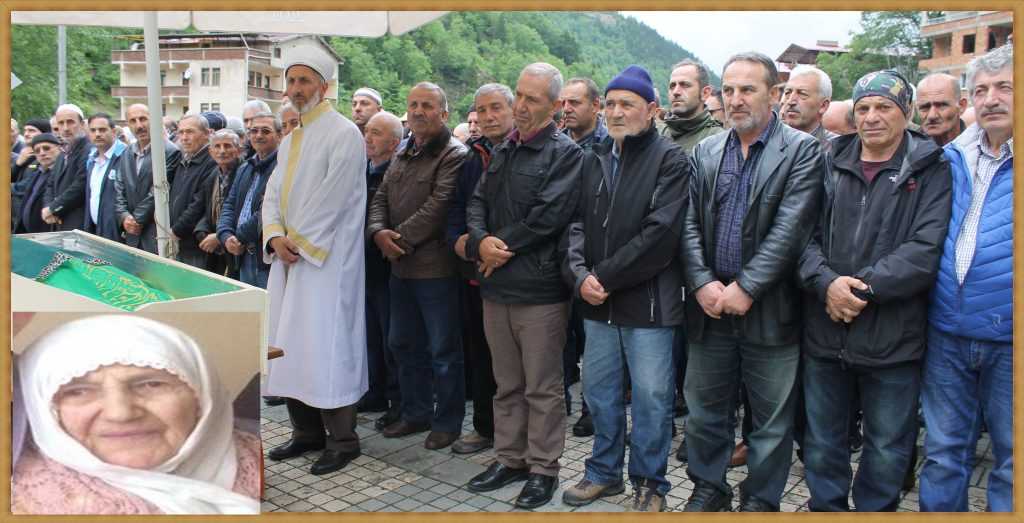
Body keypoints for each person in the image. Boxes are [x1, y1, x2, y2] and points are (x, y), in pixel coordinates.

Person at [798, 69, 952, 512]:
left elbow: (924, 249)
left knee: (886, 449)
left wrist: (860, 291)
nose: (871, 117)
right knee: (822, 442)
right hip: (826, 333)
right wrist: (827, 283)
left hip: (892, 339)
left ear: (906, 112)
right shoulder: (827, 161)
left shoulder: (931, 167)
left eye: (884, 107)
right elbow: (800, 237)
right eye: (863, 108)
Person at [680, 52, 822, 512]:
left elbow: (792, 229)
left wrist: (747, 287)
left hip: (771, 309)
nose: (735, 99)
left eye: (747, 89)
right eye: (728, 90)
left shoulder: (802, 151)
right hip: (710, 308)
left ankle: (760, 500)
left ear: (774, 94)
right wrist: (701, 282)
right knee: (704, 413)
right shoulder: (706, 151)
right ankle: (708, 488)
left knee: (771, 422)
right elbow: (687, 224)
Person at [561, 65, 689, 512]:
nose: (616, 112)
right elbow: (574, 224)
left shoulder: (670, 159)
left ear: (652, 110)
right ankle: (603, 472)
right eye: (611, 104)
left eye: (627, 104)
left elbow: (661, 235)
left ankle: (650, 484)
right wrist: (579, 276)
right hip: (598, 302)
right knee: (599, 392)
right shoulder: (592, 156)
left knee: (652, 399)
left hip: (649, 304)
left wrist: (603, 277)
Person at [463, 63, 582, 509]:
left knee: (542, 387)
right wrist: (480, 240)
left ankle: (543, 468)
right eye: (520, 95)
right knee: (507, 383)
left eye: (533, 99)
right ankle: (510, 458)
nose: (522, 106)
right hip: (496, 287)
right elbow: (477, 202)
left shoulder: (566, 154)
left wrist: (498, 247)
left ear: (555, 106)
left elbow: (548, 218)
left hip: (539, 291)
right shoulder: (506, 147)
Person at [12, 315, 260, 514]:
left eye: (152, 384)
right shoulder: (20, 501)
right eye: (78, 391)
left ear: (202, 397)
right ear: (45, 412)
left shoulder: (259, 456)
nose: (120, 413)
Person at [262, 48, 368, 476]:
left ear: (324, 86)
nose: (296, 89)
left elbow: (334, 198)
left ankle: (343, 440)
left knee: (327, 345)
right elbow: (272, 195)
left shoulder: (344, 133)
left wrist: (297, 243)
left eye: (304, 81)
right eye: (291, 81)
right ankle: (305, 432)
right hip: (289, 258)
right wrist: (274, 236)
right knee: (289, 343)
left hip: (327, 262)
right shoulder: (290, 140)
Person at [922, 43, 1014, 513]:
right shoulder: (952, 156)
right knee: (942, 455)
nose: (990, 99)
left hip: (1010, 338)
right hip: (947, 331)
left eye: (1005, 87)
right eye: (981, 90)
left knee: (1012, 463)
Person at [366, 82, 467, 450]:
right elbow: (380, 197)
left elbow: (439, 207)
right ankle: (415, 412)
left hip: (436, 270)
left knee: (443, 351)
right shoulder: (404, 150)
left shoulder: (455, 154)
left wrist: (397, 240)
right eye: (413, 105)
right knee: (403, 344)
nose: (419, 111)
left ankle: (448, 422)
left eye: (427, 105)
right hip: (400, 269)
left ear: (444, 113)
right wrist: (378, 232)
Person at [445, 83, 515, 455]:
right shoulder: (473, 155)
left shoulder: (526, 150)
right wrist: (464, 243)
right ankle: (485, 427)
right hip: (474, 272)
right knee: (481, 355)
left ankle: (517, 439)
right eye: (481, 110)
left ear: (514, 109)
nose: (488, 117)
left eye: (496, 108)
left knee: (516, 365)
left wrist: (494, 249)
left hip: (515, 272)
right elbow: (458, 207)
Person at [557, 75, 609, 438]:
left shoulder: (609, 146)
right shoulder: (558, 144)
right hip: (556, 256)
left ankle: (592, 409)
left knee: (592, 341)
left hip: (591, 259)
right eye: (563, 103)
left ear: (595, 105)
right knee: (560, 338)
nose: (567, 109)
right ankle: (559, 399)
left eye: (574, 102)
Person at [360, 111, 403, 423]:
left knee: (393, 339)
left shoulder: (396, 174)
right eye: (367, 131)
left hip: (388, 268)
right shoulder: (361, 171)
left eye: (376, 133)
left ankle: (396, 400)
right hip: (362, 269)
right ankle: (374, 392)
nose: (368, 138)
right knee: (370, 337)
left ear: (395, 142)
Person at [217, 112, 280, 289]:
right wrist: (226, 235)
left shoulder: (282, 167)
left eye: (265, 131)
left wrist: (239, 237)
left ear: (279, 135)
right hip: (243, 255)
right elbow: (230, 204)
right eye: (254, 131)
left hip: (266, 258)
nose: (258, 135)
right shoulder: (245, 167)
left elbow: (268, 210)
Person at [115, 103, 182, 255]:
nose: (139, 125)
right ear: (128, 125)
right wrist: (124, 216)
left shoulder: (169, 151)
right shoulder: (126, 153)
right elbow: (119, 188)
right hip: (131, 232)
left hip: (154, 232)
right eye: (133, 121)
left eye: (143, 119)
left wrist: (136, 219)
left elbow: (158, 189)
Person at [168, 114, 218, 268]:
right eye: (181, 132)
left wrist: (176, 231)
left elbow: (199, 204)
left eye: (190, 132)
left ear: (207, 133)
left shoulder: (212, 162)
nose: (184, 137)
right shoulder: (184, 159)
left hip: (196, 245)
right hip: (179, 239)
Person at [197, 129, 242, 276]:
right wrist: (201, 232)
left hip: (237, 246)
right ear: (210, 152)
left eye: (227, 146)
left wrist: (220, 236)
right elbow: (207, 209)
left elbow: (243, 212)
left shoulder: (244, 172)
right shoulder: (213, 175)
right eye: (217, 146)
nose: (222, 151)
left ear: (238, 150)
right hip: (217, 251)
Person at [43, 104, 91, 231]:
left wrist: (54, 208)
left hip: (78, 223)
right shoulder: (63, 152)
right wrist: (48, 207)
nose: (65, 128)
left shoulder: (88, 150)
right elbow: (50, 184)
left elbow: (80, 185)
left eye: (70, 122)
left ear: (82, 124)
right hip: (59, 222)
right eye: (61, 123)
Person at [82, 113, 128, 242]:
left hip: (118, 234)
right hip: (95, 230)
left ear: (113, 132)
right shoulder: (91, 159)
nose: (97, 134)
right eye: (93, 130)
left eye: (102, 130)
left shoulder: (126, 155)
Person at [663, 59, 725, 153]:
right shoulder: (660, 134)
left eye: (685, 85)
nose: (675, 92)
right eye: (672, 86)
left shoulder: (718, 140)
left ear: (705, 93)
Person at [12, 133, 63, 234]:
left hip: (49, 233)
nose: (42, 153)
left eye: (46, 148)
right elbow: (19, 188)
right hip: (28, 234)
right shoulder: (38, 172)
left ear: (59, 148)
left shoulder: (62, 172)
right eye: (37, 151)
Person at [781, 65, 835, 144]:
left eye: (802, 94)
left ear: (823, 105)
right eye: (787, 93)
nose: (791, 101)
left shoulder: (837, 148)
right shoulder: (766, 140)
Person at [916, 73, 968, 147]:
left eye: (941, 105)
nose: (932, 116)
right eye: (924, 107)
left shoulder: (978, 148)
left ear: (961, 106)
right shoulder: (906, 150)